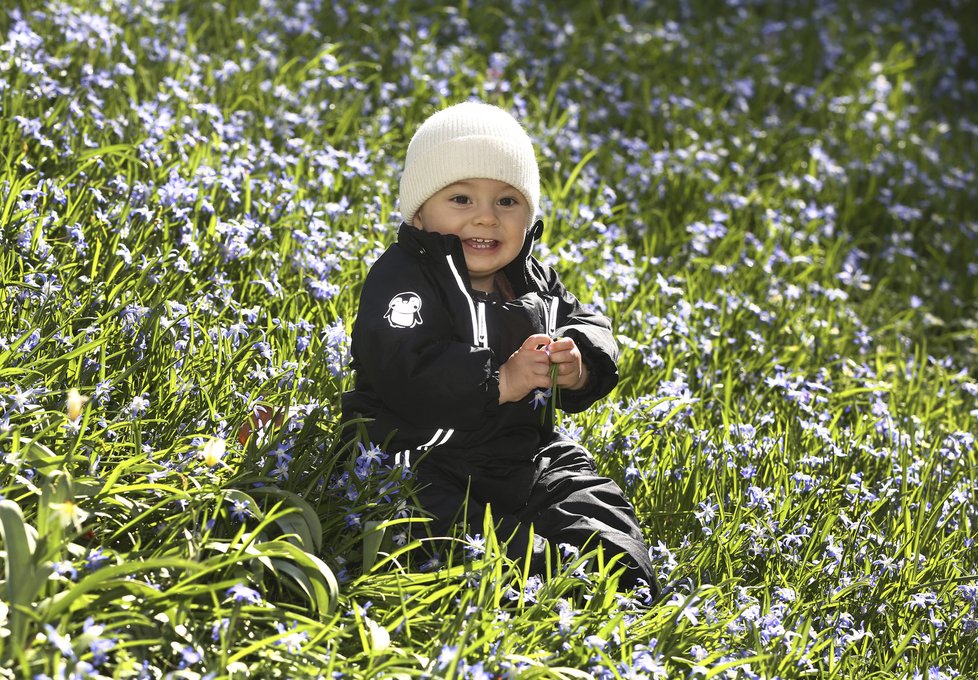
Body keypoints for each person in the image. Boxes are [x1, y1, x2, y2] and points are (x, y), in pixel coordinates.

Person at [341, 101, 656, 592]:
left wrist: (577, 361)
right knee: (425, 522)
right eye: (462, 199)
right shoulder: (404, 280)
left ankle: (620, 582)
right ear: (420, 213)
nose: (486, 219)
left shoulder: (532, 279)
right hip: (419, 455)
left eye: (507, 202)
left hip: (527, 455)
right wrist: (497, 380)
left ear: (529, 215)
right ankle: (540, 582)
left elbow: (588, 323)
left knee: (592, 501)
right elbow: (401, 370)